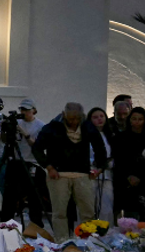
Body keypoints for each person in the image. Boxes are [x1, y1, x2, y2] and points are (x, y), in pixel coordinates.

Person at [34, 102, 107, 241]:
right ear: (64, 115)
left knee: (88, 211)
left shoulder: (87, 126)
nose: (74, 122)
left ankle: (87, 241)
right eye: (70, 119)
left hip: (82, 173)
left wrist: (99, 168)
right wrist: (49, 167)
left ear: (82, 117)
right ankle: (62, 241)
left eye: (77, 119)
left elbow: (100, 147)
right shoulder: (52, 127)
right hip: (58, 174)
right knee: (59, 212)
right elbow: (37, 148)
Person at [0, 99, 47, 228]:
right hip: (15, 161)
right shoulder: (15, 122)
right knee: (10, 194)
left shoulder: (40, 126)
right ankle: (6, 223)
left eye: (26, 110)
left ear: (34, 110)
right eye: (21, 110)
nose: (23, 112)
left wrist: (24, 133)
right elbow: (5, 141)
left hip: (31, 163)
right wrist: (3, 129)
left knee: (34, 196)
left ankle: (36, 225)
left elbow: (37, 146)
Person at [114, 107, 145, 220]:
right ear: (129, 120)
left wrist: (143, 178)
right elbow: (119, 160)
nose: (137, 122)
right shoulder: (121, 138)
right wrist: (128, 176)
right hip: (126, 181)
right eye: (134, 119)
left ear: (144, 120)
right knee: (129, 214)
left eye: (140, 119)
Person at [88, 106, 115, 223]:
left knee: (106, 207)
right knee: (88, 207)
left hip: (106, 176)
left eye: (101, 116)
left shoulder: (110, 135)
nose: (99, 119)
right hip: (90, 175)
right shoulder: (85, 136)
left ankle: (106, 235)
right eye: (95, 117)